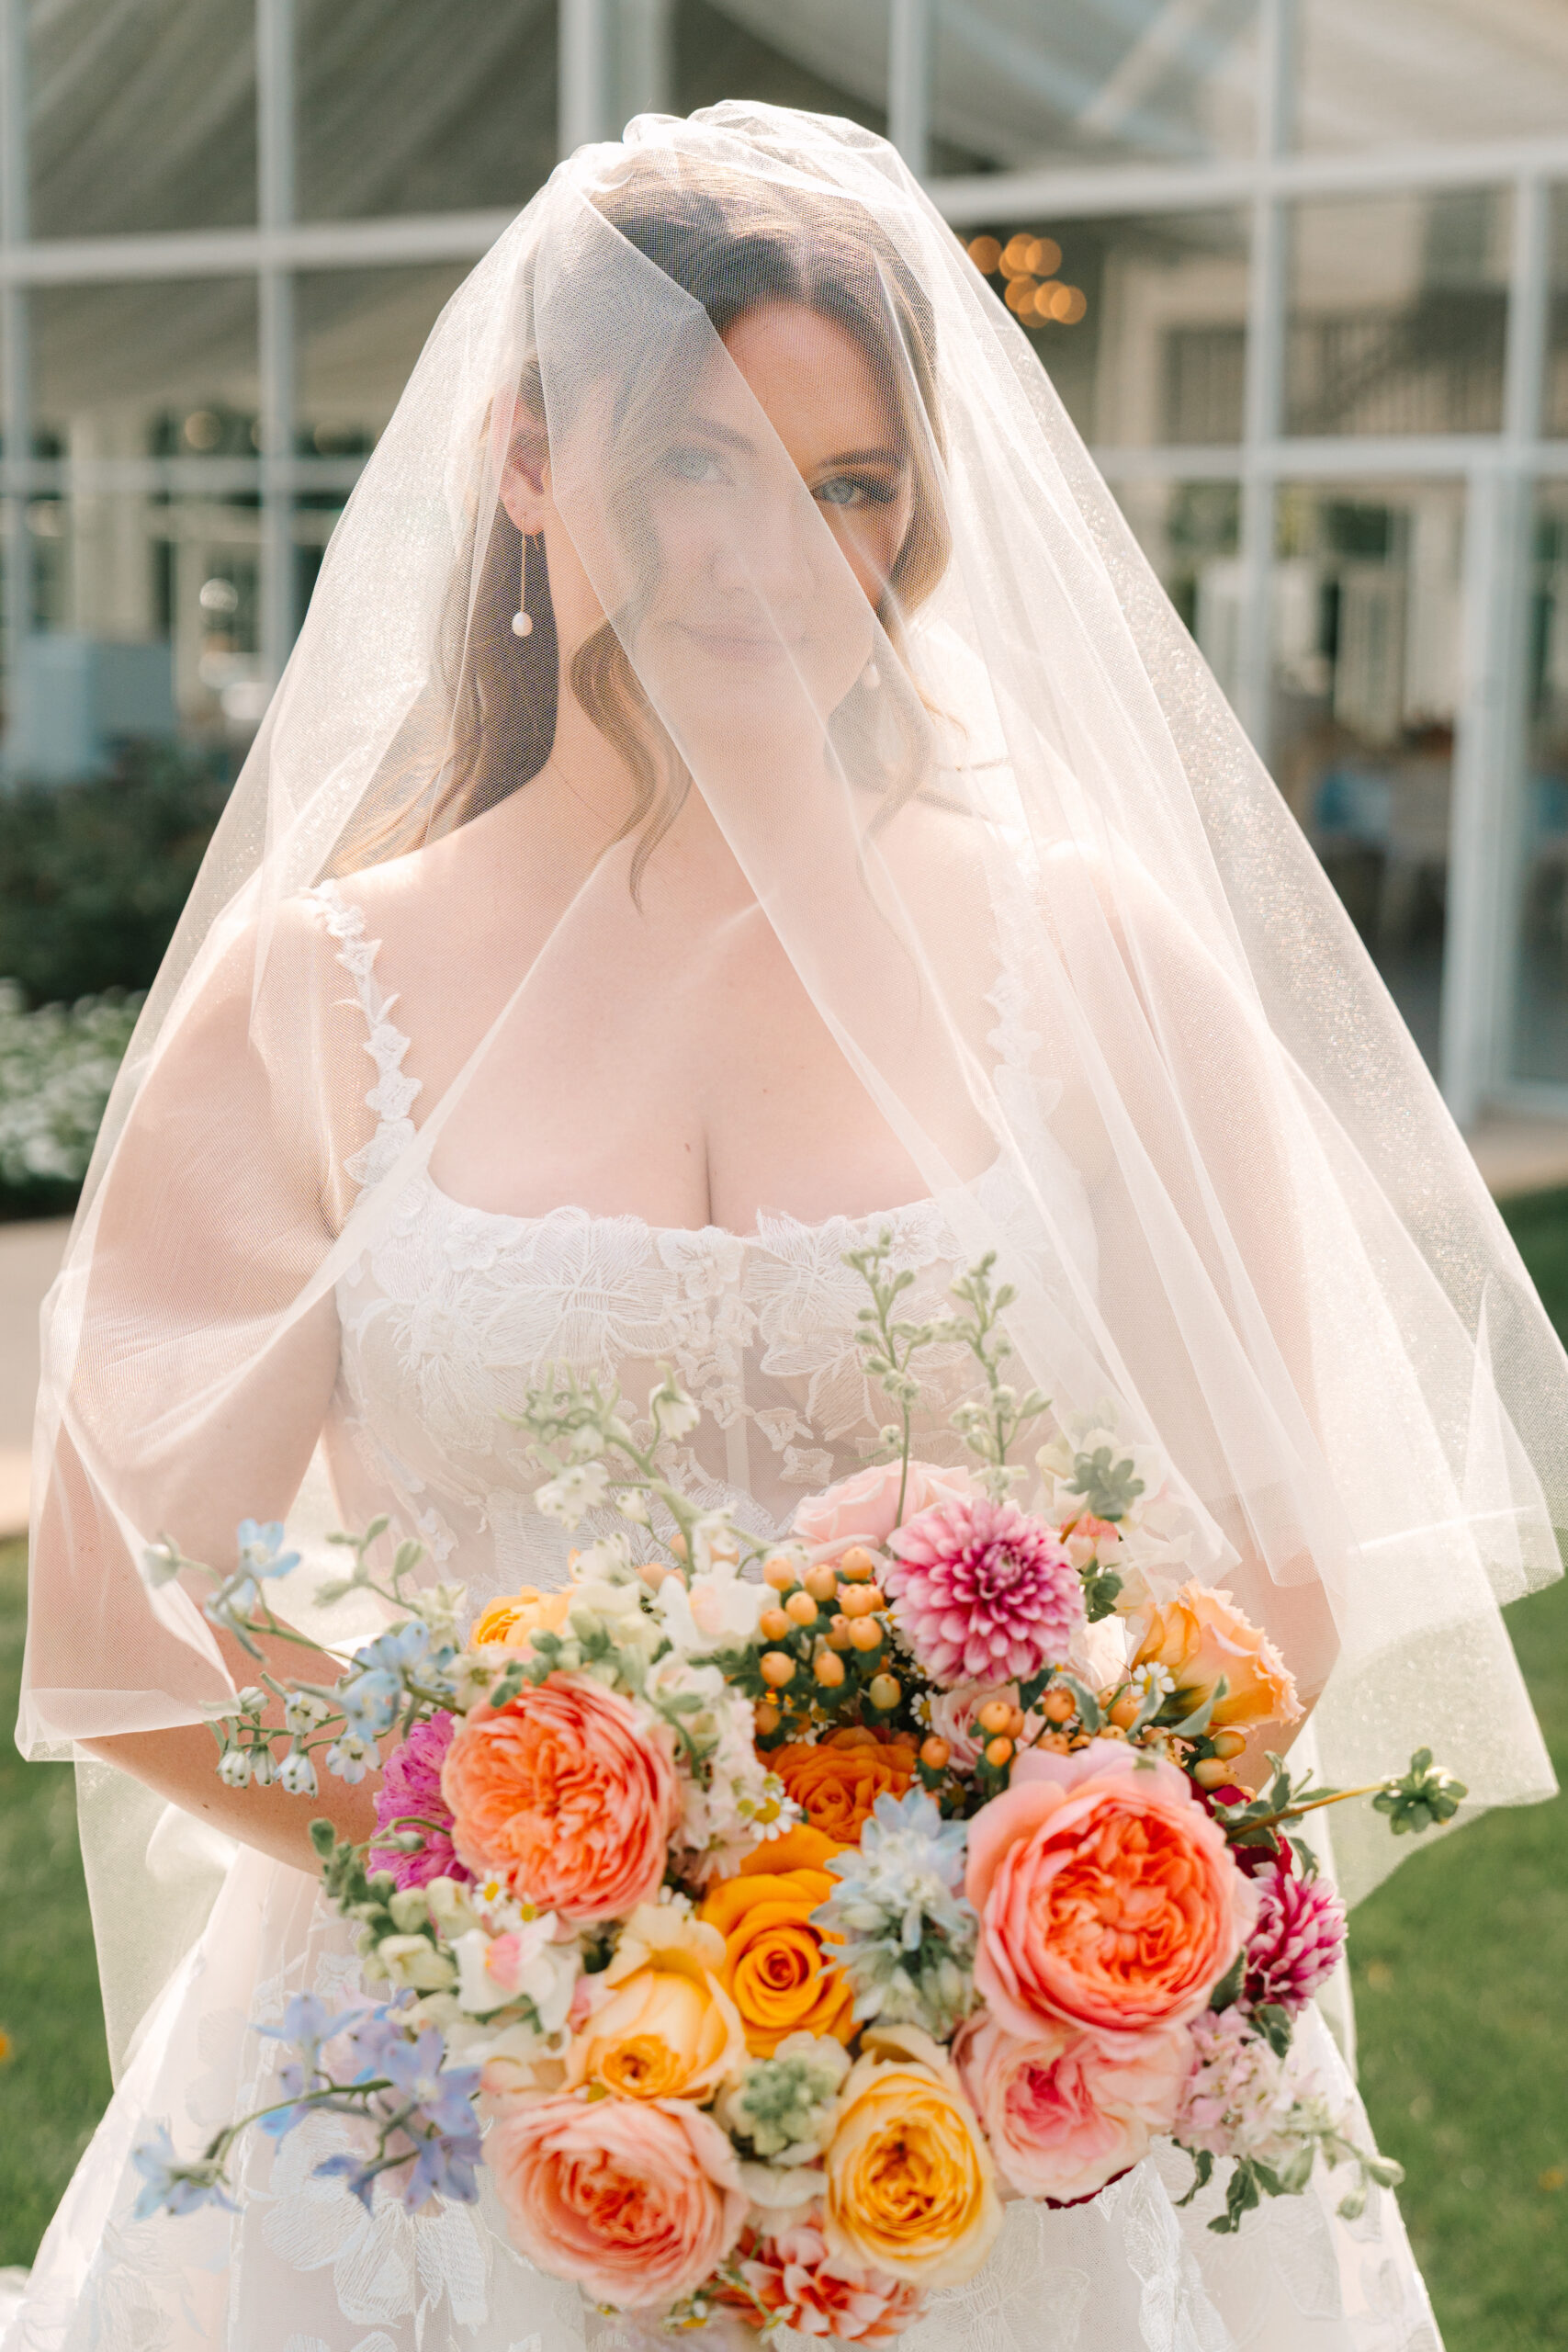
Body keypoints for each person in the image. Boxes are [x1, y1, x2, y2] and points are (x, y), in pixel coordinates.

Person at [7, 102, 1561, 2352]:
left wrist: (934, 1931)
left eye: (850, 486)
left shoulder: (1094, 957)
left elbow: (1276, 1564)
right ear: (534, 466)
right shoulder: (315, 994)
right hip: (458, 2090)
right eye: (702, 469)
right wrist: (551, 1898)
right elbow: (131, 1613)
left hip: (1003, 2096)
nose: (784, 558)